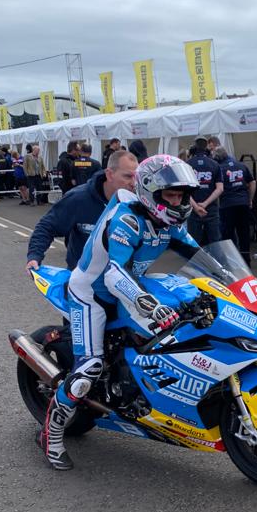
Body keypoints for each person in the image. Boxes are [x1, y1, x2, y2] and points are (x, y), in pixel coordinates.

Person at [37, 154, 201, 470]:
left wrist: (237, 281)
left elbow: (199, 254)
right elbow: (113, 275)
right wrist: (152, 306)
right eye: (170, 195)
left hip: (130, 286)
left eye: (181, 195)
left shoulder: (170, 222)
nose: (177, 202)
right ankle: (50, 435)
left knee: (177, 331)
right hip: (92, 293)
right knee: (89, 369)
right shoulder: (127, 219)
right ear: (151, 193)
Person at [26, 149, 139, 271]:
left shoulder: (139, 203)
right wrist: (34, 256)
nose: (133, 183)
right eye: (128, 176)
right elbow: (47, 226)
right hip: (82, 277)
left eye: (137, 177)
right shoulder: (79, 198)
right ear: (110, 174)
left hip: (124, 277)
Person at [214, 147, 255, 265]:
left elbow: (217, 188)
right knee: (244, 233)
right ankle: (246, 261)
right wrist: (250, 199)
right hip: (243, 203)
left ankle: (232, 262)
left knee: (228, 234)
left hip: (227, 205)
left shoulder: (219, 169)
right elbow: (252, 182)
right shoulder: (242, 165)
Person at [186, 136, 223, 244]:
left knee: (193, 243)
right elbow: (220, 189)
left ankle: (196, 257)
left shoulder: (187, 165)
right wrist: (205, 204)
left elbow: (184, 191)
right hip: (211, 210)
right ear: (207, 147)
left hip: (193, 210)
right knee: (215, 242)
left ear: (194, 147)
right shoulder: (215, 164)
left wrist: (196, 207)